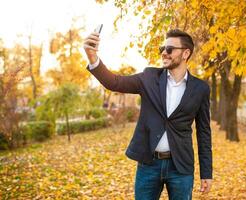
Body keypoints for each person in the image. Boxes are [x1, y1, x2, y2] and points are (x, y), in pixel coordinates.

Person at [83, 28, 213, 200]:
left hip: (181, 167)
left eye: (169, 49)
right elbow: (114, 82)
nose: (164, 53)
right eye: (162, 49)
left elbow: (204, 133)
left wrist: (206, 172)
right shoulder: (149, 77)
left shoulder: (200, 89)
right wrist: (93, 58)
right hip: (148, 165)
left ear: (185, 53)